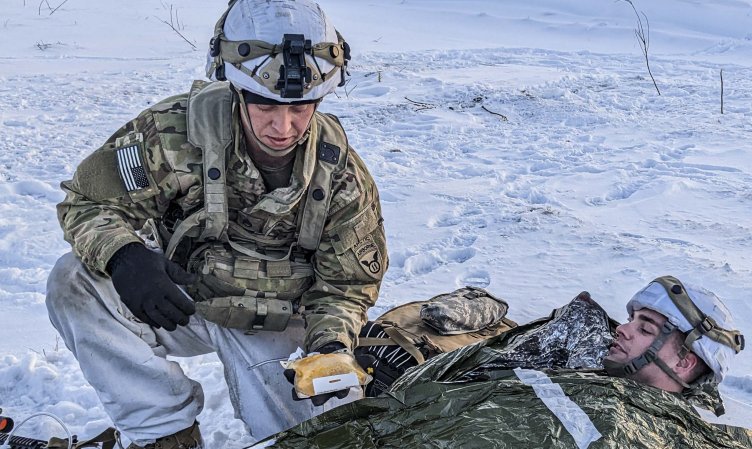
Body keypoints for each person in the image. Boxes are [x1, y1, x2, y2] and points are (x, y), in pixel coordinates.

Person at [45, 0, 387, 448]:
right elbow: (88, 203)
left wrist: (329, 348)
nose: (283, 127)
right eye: (265, 105)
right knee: (74, 281)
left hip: (278, 323)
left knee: (311, 439)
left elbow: (346, 285)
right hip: (182, 300)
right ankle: (165, 433)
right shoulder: (173, 133)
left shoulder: (339, 171)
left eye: (302, 107)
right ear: (237, 90)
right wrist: (125, 257)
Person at [254, 276, 749, 448]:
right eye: (632, 319)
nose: (623, 329)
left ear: (686, 365)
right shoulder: (588, 366)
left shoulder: (655, 431)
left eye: (645, 329)